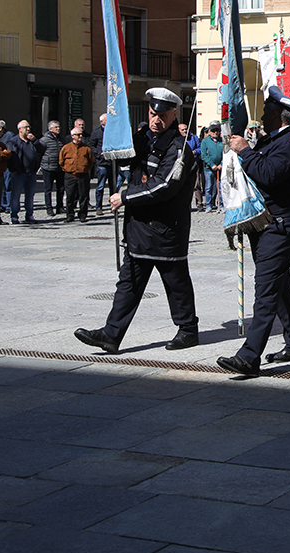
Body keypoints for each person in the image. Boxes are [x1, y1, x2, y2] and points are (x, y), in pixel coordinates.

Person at [75, 88, 200, 355]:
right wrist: (113, 137)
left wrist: (125, 197)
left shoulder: (178, 148)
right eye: (153, 114)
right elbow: (122, 159)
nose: (157, 120)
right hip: (138, 228)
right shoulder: (142, 138)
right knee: (128, 283)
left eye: (163, 115)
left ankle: (188, 329)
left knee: (176, 284)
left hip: (166, 229)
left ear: (174, 114)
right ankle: (111, 334)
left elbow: (164, 186)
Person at [216, 86, 290, 375]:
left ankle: (249, 354)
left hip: (280, 225)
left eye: (265, 111)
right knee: (279, 286)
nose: (260, 116)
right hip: (267, 222)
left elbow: (268, 175)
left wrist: (245, 151)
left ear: (277, 115)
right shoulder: (274, 140)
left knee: (266, 289)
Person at [5, 120, 44, 224]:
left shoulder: (32, 141)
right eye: (26, 127)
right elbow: (9, 156)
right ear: (19, 129)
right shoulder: (13, 142)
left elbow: (42, 150)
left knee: (30, 195)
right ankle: (14, 216)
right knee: (15, 195)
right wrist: (12, 169)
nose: (28, 129)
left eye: (29, 127)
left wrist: (35, 141)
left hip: (31, 173)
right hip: (18, 173)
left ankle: (29, 215)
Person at [60, 129, 95, 222]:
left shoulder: (86, 148)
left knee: (83, 196)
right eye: (78, 135)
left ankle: (83, 215)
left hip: (83, 175)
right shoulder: (66, 148)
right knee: (70, 196)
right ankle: (70, 215)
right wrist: (67, 170)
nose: (80, 136)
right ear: (73, 136)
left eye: (81, 135)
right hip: (70, 175)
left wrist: (85, 170)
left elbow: (91, 161)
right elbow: (61, 161)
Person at [39, 121, 67, 217]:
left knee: (61, 188)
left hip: (59, 167)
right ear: (50, 129)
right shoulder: (44, 140)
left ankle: (60, 206)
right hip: (48, 167)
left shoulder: (62, 139)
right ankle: (49, 207)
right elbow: (40, 152)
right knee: (48, 189)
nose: (58, 129)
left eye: (58, 127)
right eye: (56, 127)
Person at [200, 124, 224, 212]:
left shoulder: (221, 141)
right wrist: (211, 164)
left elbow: (225, 153)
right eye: (213, 131)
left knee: (220, 187)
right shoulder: (205, 141)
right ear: (209, 132)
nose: (215, 132)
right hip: (209, 168)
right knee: (209, 187)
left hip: (220, 168)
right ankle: (208, 205)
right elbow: (204, 155)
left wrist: (221, 163)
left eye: (217, 130)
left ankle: (221, 204)